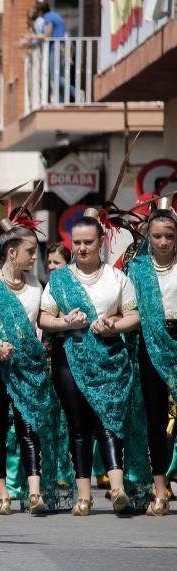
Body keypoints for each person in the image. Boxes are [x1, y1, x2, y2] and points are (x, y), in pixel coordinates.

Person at [39, 210, 145, 516]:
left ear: (101, 242)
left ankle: (118, 489)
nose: (82, 248)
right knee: (79, 425)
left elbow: (134, 315)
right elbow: (44, 318)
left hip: (109, 356)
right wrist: (65, 323)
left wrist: (114, 325)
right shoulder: (60, 279)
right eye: (77, 243)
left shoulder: (116, 277)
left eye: (88, 242)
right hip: (70, 355)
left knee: (109, 419)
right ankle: (83, 496)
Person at [0, 214, 69, 516]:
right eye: (30, 251)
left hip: (29, 367)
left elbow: (41, 322)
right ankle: (2, 493)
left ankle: (34, 493)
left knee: (29, 426)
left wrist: (65, 321)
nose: (35, 257)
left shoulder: (37, 286)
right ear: (12, 253)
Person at [126, 197, 177, 515]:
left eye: (169, 236)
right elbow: (127, 308)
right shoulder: (137, 270)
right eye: (157, 235)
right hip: (150, 345)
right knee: (156, 419)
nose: (162, 241)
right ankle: (160, 489)